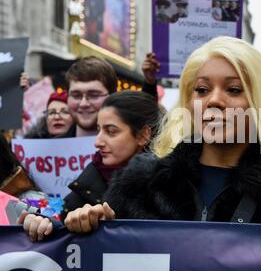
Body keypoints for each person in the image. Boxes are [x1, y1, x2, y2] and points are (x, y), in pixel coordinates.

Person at [29, 36, 261, 238]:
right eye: (201, 90)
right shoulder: (139, 185)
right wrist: (63, 229)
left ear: (260, 102)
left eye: (233, 89)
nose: (214, 101)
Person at [19, 91, 161, 239]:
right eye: (99, 130)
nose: (97, 142)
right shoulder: (88, 182)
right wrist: (42, 222)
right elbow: (58, 218)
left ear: (143, 135)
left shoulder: (169, 189)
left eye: (111, 131)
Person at [64, 56, 117, 138]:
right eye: (76, 95)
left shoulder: (133, 148)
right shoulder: (50, 148)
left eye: (94, 95)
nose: (83, 104)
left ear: (112, 96)